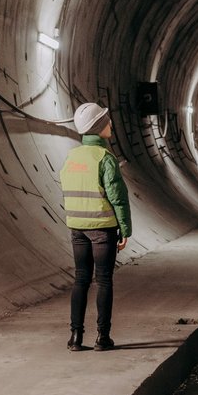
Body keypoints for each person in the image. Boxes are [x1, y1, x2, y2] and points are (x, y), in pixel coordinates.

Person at [60, 102, 131, 351]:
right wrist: (125, 230)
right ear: (98, 127)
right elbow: (118, 198)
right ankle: (103, 337)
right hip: (102, 228)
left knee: (80, 280)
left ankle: (75, 337)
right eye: (106, 121)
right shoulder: (105, 158)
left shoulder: (71, 157)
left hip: (77, 228)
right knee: (103, 280)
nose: (110, 124)